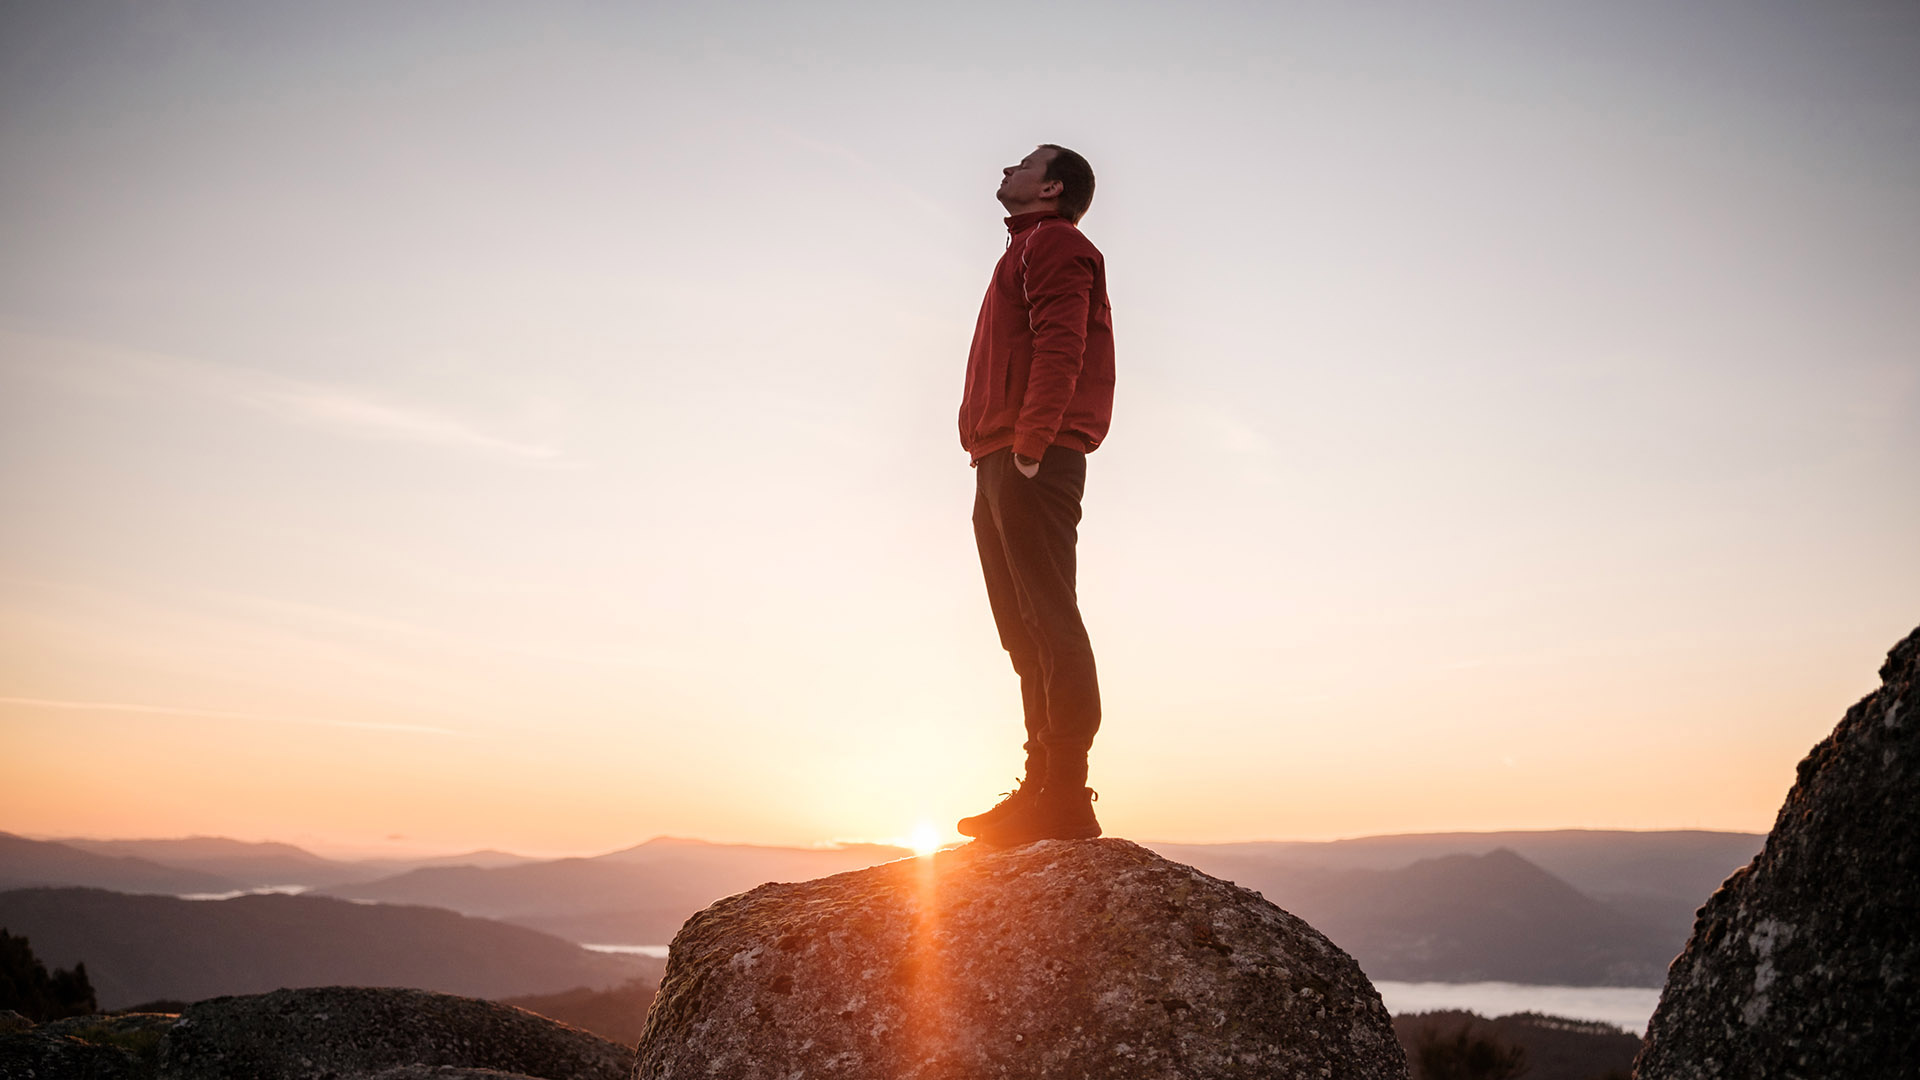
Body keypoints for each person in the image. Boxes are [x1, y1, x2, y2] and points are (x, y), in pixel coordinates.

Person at [955, 144, 1114, 846]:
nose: (1004, 169)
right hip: (1000, 453)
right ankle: (1040, 788)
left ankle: (1065, 793)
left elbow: (1062, 343)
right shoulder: (1025, 248)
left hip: (1032, 454)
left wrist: (1030, 439)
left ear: (1050, 187)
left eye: (1022, 164)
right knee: (1022, 626)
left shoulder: (1055, 243)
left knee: (1048, 615)